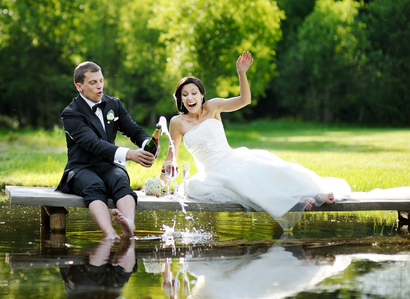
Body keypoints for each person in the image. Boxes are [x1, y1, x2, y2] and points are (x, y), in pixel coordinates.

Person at [160, 51, 351, 220]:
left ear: (202, 95)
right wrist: (159, 185)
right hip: (210, 173)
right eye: (185, 95)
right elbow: (171, 159)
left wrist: (241, 73)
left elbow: (245, 100)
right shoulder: (177, 123)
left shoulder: (213, 106)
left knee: (263, 168)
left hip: (231, 159)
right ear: (180, 99)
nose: (190, 98)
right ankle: (296, 200)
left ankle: (314, 194)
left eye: (194, 93)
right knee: (219, 184)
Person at [56, 61, 156, 239]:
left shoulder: (114, 104)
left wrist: (148, 143)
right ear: (79, 87)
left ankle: (129, 226)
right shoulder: (71, 113)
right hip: (81, 167)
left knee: (120, 180)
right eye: (93, 82)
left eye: (101, 80)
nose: (99, 86)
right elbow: (93, 143)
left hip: (109, 165)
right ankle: (110, 234)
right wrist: (130, 154)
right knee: (94, 186)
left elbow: (134, 131)